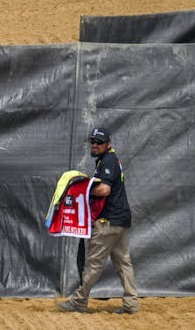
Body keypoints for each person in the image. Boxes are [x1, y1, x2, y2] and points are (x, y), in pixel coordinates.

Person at [58, 127, 139, 314]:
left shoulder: (108, 160)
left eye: (99, 142)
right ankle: (131, 304)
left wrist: (83, 190)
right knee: (123, 263)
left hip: (108, 221)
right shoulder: (108, 159)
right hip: (121, 220)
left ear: (107, 144)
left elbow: (104, 190)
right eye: (92, 141)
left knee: (94, 263)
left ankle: (79, 301)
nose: (94, 145)